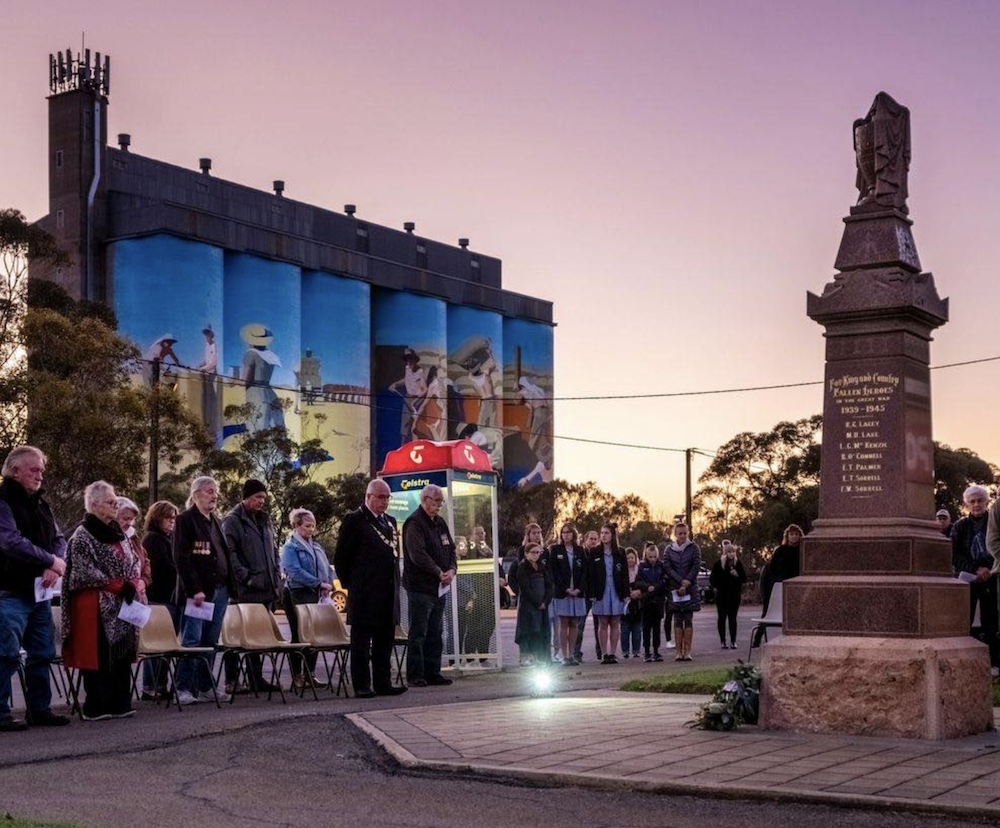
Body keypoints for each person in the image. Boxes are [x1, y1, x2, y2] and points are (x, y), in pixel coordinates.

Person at [0, 446, 71, 731]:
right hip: (9, 591)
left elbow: (59, 538)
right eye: (34, 469)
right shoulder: (3, 500)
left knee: (42, 652)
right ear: (15, 470)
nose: (40, 475)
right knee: (5, 654)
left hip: (39, 593)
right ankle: (1, 712)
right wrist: (49, 559)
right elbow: (9, 541)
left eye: (42, 469)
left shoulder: (42, 504)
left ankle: (40, 709)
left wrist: (54, 564)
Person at [63, 481, 144, 721]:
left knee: (120, 652)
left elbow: (133, 559)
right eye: (110, 502)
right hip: (94, 603)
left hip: (122, 602)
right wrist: (117, 585)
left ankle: (120, 702)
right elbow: (83, 571)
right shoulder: (82, 536)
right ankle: (96, 705)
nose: (115, 505)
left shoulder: (118, 532)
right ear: (95, 505)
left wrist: (133, 581)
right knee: (99, 652)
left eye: (115, 501)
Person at [334, 480, 407, 697]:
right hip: (365, 593)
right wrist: (353, 585)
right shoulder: (355, 520)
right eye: (381, 497)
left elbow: (394, 556)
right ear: (369, 496)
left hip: (387, 592)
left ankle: (383, 683)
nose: (385, 502)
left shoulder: (390, 522)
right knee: (362, 644)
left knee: (385, 642)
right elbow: (341, 558)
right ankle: (362, 685)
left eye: (387, 497)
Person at [174, 476, 231, 705]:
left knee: (210, 640)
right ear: (196, 493)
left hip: (220, 591)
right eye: (209, 491)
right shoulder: (185, 520)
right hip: (199, 594)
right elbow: (182, 557)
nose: (214, 495)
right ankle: (183, 687)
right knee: (192, 639)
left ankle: (205, 686)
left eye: (216, 491)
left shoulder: (216, 521)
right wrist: (195, 589)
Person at [222, 479, 281, 694]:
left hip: (265, 588)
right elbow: (231, 553)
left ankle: (256, 679)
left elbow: (273, 549)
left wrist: (276, 574)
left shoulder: (265, 521)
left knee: (257, 636)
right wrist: (245, 577)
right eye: (257, 497)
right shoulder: (232, 521)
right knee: (237, 637)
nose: (261, 501)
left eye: (263, 498)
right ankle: (232, 681)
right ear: (245, 498)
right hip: (244, 590)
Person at [402, 484, 457, 687]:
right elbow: (417, 554)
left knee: (436, 632)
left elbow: (451, 550)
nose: (438, 506)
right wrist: (437, 572)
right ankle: (416, 674)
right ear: (424, 500)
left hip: (440, 588)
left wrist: (451, 570)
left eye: (440, 502)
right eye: (435, 502)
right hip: (420, 587)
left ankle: (433, 671)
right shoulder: (414, 523)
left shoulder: (440, 523)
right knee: (419, 633)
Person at [281, 508, 334, 692]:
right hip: (297, 592)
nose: (311, 529)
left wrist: (328, 583)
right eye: (307, 526)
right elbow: (295, 571)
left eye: (313, 526)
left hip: (316, 593)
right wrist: (318, 583)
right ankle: (297, 675)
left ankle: (309, 673)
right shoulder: (290, 547)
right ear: (297, 526)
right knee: (298, 634)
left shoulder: (316, 545)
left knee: (314, 635)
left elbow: (327, 567)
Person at [952, 485, 998, 673]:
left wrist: (988, 568)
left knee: (992, 622)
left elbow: (996, 544)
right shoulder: (960, 526)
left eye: (980, 500)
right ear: (966, 504)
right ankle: (963, 662)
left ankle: (995, 664)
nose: (976, 504)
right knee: (964, 620)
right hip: (968, 579)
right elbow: (954, 554)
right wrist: (975, 568)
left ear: (987, 502)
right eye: (972, 501)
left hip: (992, 576)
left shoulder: (994, 522)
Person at [140, 500, 179, 699]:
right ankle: (151, 686)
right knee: (156, 646)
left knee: (164, 647)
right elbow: (163, 568)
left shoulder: (167, 539)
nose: (172, 521)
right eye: (168, 517)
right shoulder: (152, 540)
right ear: (157, 518)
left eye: (174, 517)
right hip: (157, 598)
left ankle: (160, 685)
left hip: (169, 598)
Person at [586, 524, 629, 664]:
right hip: (601, 592)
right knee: (602, 622)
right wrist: (591, 593)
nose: (603, 535)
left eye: (606, 533)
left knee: (615, 622)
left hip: (616, 592)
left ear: (613, 535)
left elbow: (624, 575)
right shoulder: (595, 552)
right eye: (602, 533)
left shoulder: (621, 552)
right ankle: (604, 653)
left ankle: (613, 653)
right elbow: (590, 574)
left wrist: (626, 593)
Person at [548, 523, 587, 666]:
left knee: (574, 624)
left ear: (574, 534)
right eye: (563, 532)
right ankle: (564, 655)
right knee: (563, 623)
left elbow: (584, 572)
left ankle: (571, 654)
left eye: (569, 532)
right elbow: (554, 572)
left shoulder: (580, 550)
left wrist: (579, 589)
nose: (566, 535)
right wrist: (565, 589)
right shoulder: (555, 550)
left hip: (577, 593)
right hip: (562, 593)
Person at [664, 522, 701, 661]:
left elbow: (696, 565)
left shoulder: (694, 548)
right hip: (675, 588)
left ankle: (688, 651)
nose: (683, 536)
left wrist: (687, 581)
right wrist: (680, 581)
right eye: (680, 533)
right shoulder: (669, 549)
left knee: (688, 619)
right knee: (677, 619)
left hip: (690, 588)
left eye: (685, 533)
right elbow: (667, 567)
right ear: (675, 534)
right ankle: (678, 651)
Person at [514, 543, 553, 666]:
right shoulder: (522, 568)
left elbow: (549, 585)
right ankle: (525, 657)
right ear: (526, 554)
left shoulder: (542, 567)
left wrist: (545, 601)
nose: (536, 555)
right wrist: (537, 602)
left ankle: (537, 657)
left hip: (542, 606)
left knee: (539, 632)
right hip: (529, 606)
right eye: (533, 552)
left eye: (538, 553)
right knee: (527, 631)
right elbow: (525, 587)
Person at [710, 540, 747, 650]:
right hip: (722, 596)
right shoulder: (718, 564)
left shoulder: (738, 564)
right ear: (725, 553)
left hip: (734, 596)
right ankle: (723, 641)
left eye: (733, 551)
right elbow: (712, 579)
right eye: (729, 551)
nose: (731, 553)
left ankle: (733, 641)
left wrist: (737, 575)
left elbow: (744, 578)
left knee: (733, 619)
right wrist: (717, 587)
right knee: (721, 618)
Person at [574, 529, 601, 662]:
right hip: (583, 595)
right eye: (591, 539)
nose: (593, 541)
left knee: (599, 626)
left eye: (596, 539)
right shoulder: (580, 554)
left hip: (596, 594)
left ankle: (601, 653)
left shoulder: (599, 554)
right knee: (579, 625)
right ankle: (575, 653)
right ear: (585, 540)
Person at [636, 541, 666, 662]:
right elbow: (638, 582)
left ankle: (656, 651)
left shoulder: (661, 566)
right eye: (650, 557)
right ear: (646, 556)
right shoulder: (642, 567)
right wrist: (647, 587)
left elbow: (664, 581)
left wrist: (656, 587)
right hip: (646, 602)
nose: (653, 559)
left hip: (658, 602)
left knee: (657, 628)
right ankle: (647, 652)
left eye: (654, 557)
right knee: (646, 628)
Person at [116, 497, 150, 596]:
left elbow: (145, 560)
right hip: (120, 593)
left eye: (131, 519)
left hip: (138, 593)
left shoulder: (132, 535)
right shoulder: (107, 538)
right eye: (125, 519)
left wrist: (144, 581)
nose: (129, 523)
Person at [620, 549, 642, 659]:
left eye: (632, 558)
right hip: (625, 603)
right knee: (625, 629)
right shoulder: (622, 572)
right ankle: (625, 651)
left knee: (637, 629)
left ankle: (636, 650)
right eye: (628, 558)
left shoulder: (639, 571)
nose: (630, 560)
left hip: (637, 603)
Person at [659, 526, 675, 651]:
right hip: (668, 593)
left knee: (680, 618)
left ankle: (679, 639)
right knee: (668, 617)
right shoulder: (665, 565)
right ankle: (669, 639)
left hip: (678, 590)